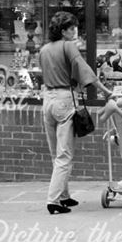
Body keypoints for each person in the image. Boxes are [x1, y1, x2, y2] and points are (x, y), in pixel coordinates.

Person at [40, 11, 114, 215]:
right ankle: (53, 200)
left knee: (55, 153)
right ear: (63, 31)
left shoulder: (44, 49)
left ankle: (64, 196)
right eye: (71, 28)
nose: (75, 31)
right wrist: (105, 91)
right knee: (65, 154)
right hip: (64, 100)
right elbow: (85, 70)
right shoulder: (68, 46)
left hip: (47, 99)